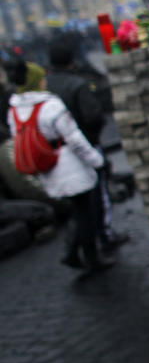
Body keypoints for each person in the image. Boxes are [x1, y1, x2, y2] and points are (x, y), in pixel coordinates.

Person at [5, 59, 113, 274]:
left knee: (78, 210)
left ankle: (75, 253)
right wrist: (96, 161)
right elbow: (75, 139)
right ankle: (87, 257)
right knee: (86, 213)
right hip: (68, 164)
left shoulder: (14, 109)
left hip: (46, 166)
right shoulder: (50, 105)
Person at [47, 36, 129, 253]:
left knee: (79, 202)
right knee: (97, 195)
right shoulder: (77, 84)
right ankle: (103, 237)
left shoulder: (46, 86)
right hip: (85, 146)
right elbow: (93, 116)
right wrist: (93, 143)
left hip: (59, 152)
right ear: (71, 61)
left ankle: (80, 247)